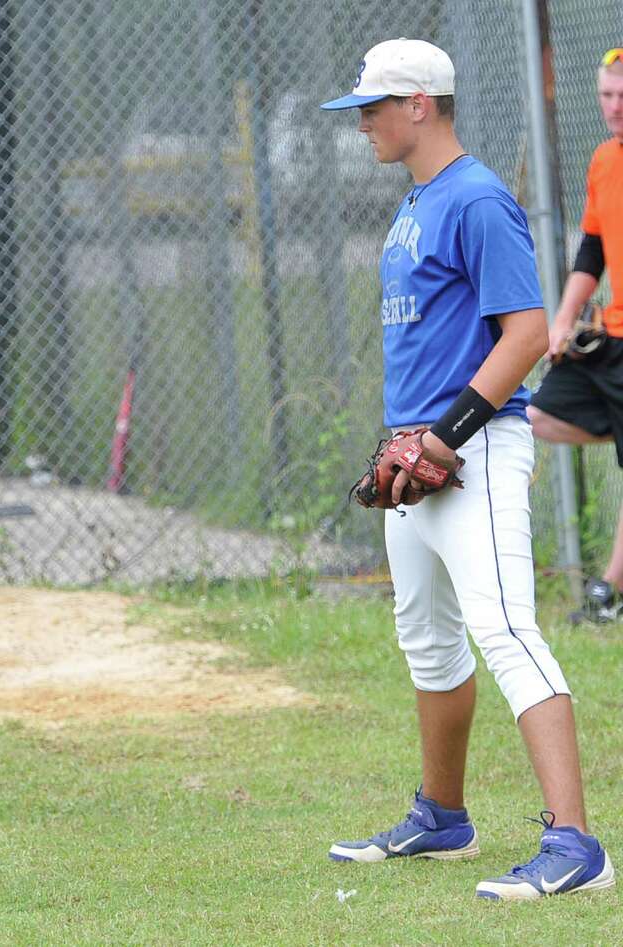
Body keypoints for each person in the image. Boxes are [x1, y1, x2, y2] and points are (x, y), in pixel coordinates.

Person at [319, 39, 613, 900]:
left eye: (374, 105)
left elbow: (524, 335)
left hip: (472, 450)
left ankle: (577, 844)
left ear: (420, 104)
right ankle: (443, 816)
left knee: (507, 631)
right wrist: (417, 442)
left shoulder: (478, 198)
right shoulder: (419, 201)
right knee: (429, 639)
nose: (363, 120)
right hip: (417, 461)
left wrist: (447, 435)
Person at [529, 48, 623, 623]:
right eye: (607, 96)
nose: (615, 108)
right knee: (538, 414)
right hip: (612, 337)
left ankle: (607, 595)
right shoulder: (604, 161)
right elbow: (591, 248)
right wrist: (564, 319)